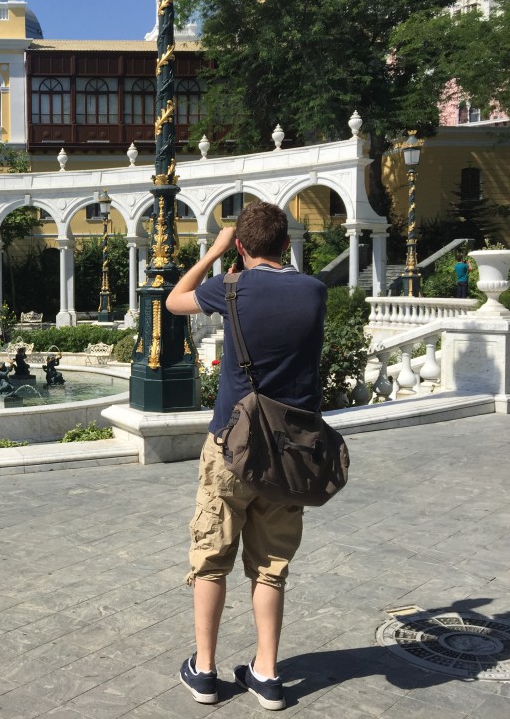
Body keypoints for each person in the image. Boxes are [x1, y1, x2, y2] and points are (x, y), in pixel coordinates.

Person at [166, 201, 327, 711]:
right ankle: (267, 674)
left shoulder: (230, 287)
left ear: (240, 246)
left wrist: (213, 252)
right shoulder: (314, 292)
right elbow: (288, 289)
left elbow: (174, 300)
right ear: (286, 244)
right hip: (290, 454)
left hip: (230, 447)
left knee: (212, 557)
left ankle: (207, 671)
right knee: (271, 566)